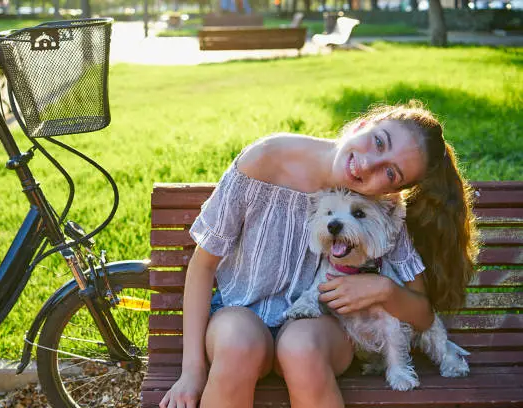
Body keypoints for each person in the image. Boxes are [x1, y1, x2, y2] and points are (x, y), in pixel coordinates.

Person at [158, 100, 478, 408]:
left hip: (320, 327)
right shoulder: (264, 160)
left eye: (391, 174)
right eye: (378, 142)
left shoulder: (375, 206)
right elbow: (203, 266)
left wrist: (382, 289)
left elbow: (421, 313)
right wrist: (192, 372)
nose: (368, 165)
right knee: (239, 344)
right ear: (365, 124)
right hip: (239, 313)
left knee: (301, 348)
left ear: (394, 190)